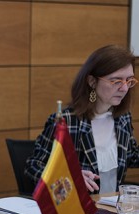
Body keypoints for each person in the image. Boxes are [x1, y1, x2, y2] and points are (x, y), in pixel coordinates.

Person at [26, 44, 139, 194]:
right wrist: (68, 177)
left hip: (112, 210)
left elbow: (131, 157)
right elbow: (33, 166)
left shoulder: (122, 118)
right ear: (92, 81)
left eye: (129, 80)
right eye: (116, 81)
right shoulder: (66, 122)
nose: (124, 88)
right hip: (78, 210)